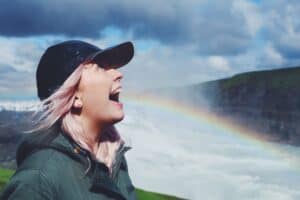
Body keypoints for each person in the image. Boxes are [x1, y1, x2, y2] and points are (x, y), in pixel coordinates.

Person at [0, 40, 137, 200]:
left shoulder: (114, 160)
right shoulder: (38, 181)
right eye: (101, 67)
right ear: (75, 96)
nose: (119, 74)